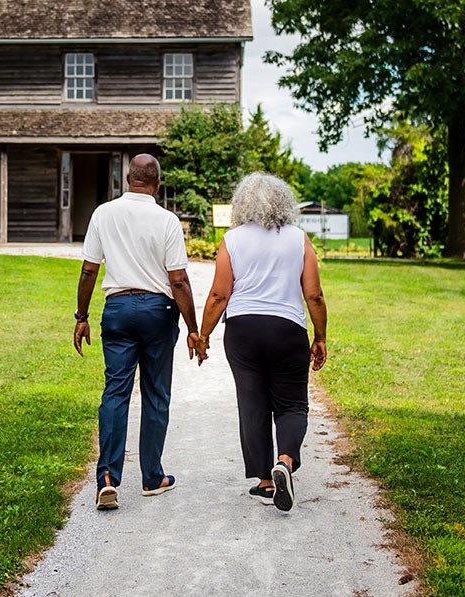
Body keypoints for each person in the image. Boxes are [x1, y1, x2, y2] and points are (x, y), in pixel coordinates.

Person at [74, 154, 203, 511]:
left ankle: (107, 479)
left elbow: (88, 271)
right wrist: (193, 329)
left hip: (116, 310)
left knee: (115, 391)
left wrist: (81, 315)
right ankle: (152, 477)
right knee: (156, 393)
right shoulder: (167, 220)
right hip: (157, 312)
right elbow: (177, 280)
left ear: (127, 179)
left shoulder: (103, 213)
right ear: (157, 183)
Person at [196, 173, 328, 512]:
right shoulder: (299, 239)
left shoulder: (232, 240)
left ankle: (265, 481)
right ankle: (284, 460)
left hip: (243, 331)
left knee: (252, 403)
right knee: (292, 405)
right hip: (287, 331)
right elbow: (313, 294)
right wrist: (320, 336)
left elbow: (218, 295)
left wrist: (204, 335)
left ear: (243, 204)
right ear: (283, 202)